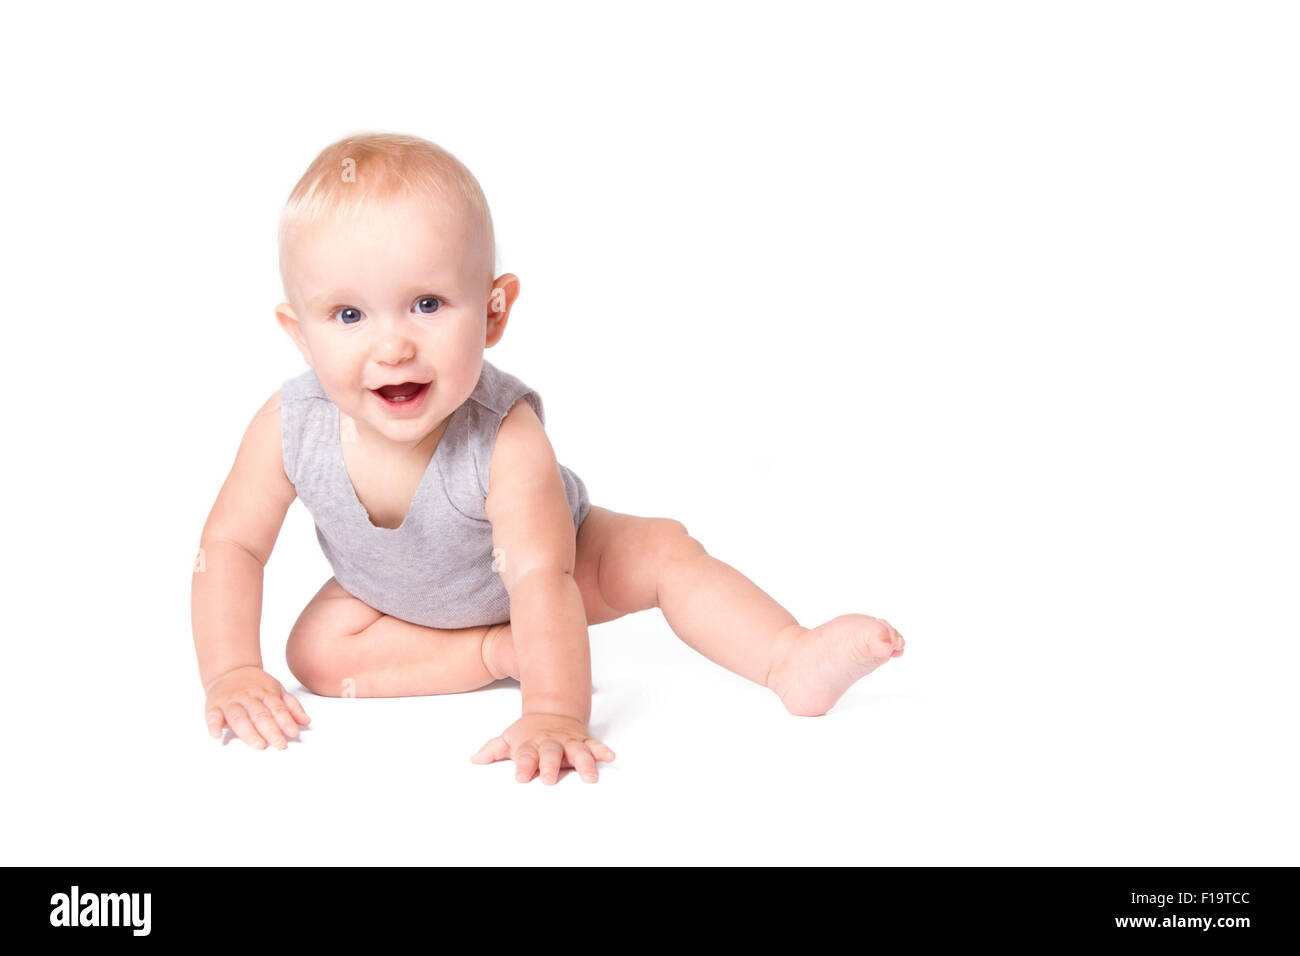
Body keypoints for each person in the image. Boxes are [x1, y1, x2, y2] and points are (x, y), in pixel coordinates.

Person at [191, 132, 906, 785]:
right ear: (299, 333)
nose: (392, 346)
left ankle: (787, 656)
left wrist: (555, 710)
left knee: (663, 553)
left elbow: (541, 576)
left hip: (558, 568)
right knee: (315, 657)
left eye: (429, 304)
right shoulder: (289, 426)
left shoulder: (506, 437)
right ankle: (493, 653)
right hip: (394, 597)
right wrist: (230, 670)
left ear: (495, 311)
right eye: (349, 316)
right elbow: (230, 545)